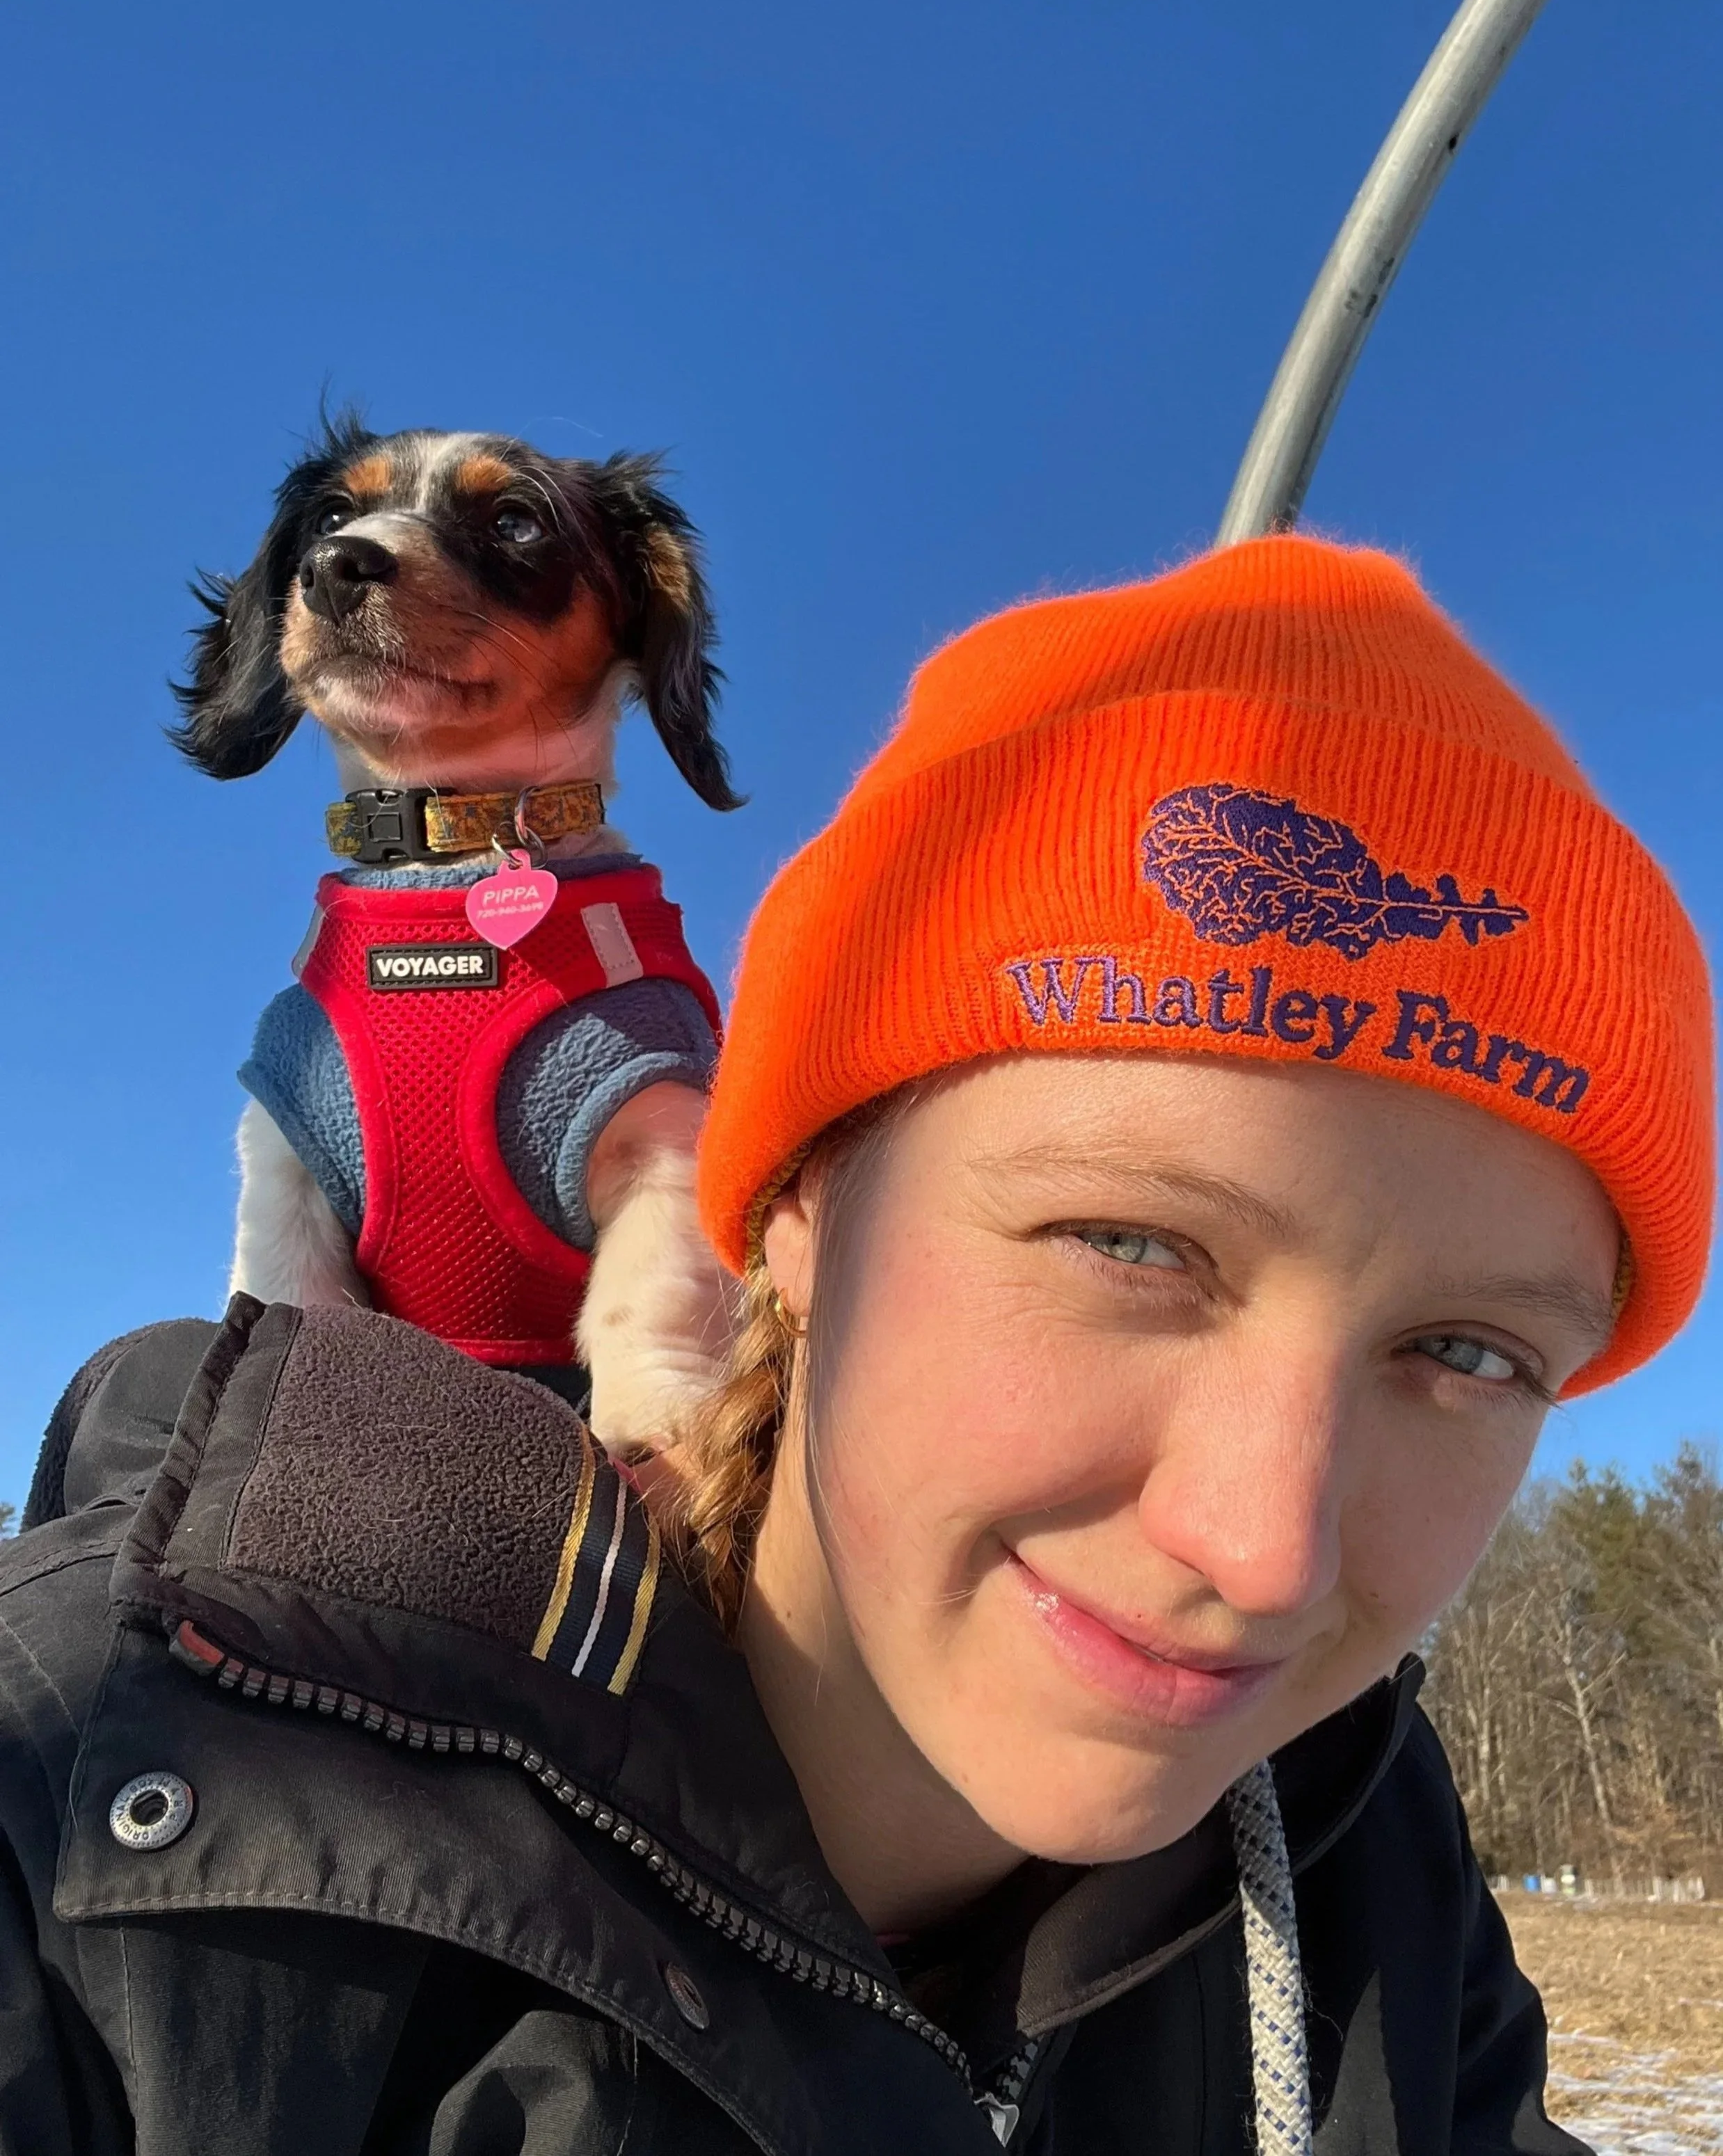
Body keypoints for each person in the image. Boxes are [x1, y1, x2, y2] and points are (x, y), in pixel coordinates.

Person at [0, 535, 1709, 2154]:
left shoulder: (1353, 1857)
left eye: (1468, 1354)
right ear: (795, 1215)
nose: (1261, 1557)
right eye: (1131, 1245)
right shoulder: (91, 1801)